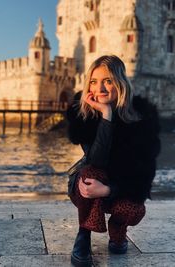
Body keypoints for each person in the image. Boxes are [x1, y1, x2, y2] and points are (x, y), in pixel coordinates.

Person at [66, 55, 161, 267]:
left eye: (107, 81)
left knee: (135, 209)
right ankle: (83, 235)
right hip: (86, 187)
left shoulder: (142, 119)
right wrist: (106, 117)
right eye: (94, 81)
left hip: (119, 189)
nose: (100, 88)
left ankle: (118, 231)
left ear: (120, 82)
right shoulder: (85, 115)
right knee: (92, 173)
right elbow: (96, 160)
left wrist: (109, 191)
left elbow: (143, 177)